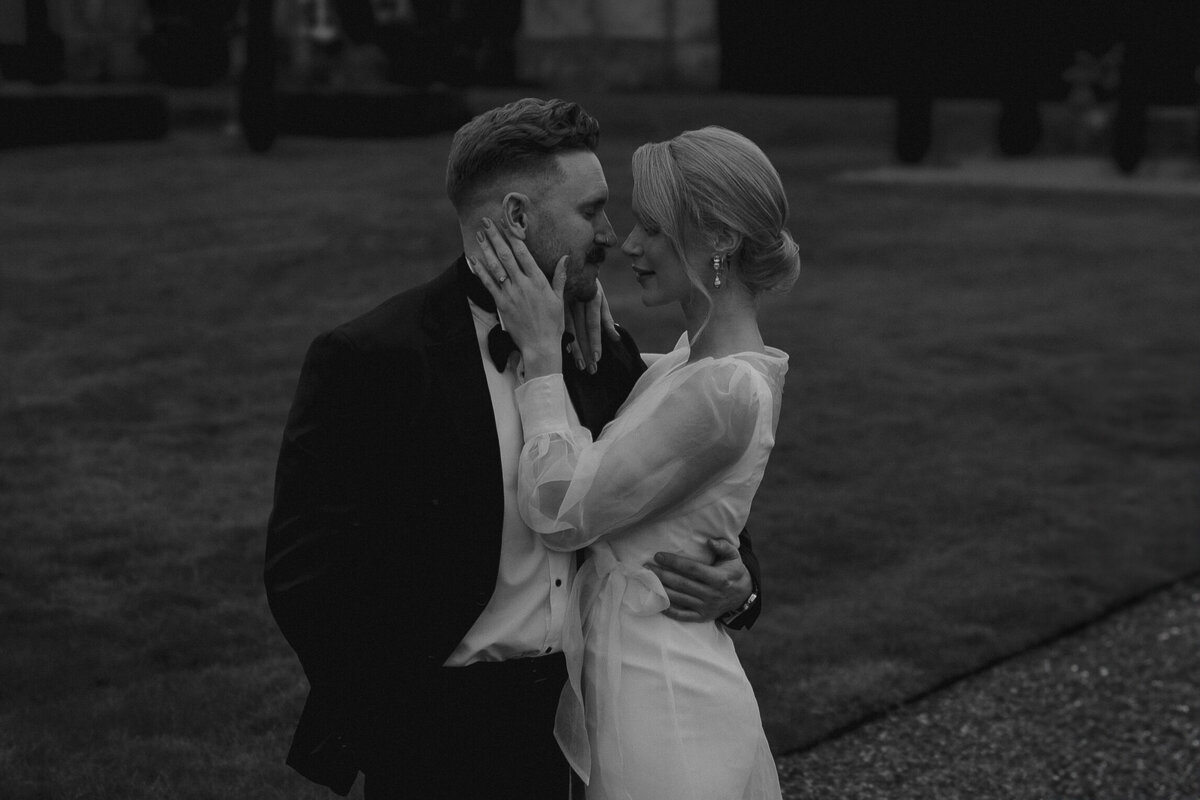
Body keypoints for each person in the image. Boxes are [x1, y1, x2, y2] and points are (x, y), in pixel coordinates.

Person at [263, 99, 765, 799]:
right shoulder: (374, 358)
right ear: (518, 219)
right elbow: (305, 573)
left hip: (588, 715)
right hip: (437, 732)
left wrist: (740, 585)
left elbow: (680, 489)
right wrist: (391, 722)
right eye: (591, 211)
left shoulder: (593, 346)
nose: (611, 235)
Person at [472, 125, 799, 799]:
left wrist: (539, 359)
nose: (628, 244)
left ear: (719, 242)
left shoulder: (722, 389)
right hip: (636, 674)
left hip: (662, 700)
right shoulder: (691, 364)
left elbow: (562, 512)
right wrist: (583, 299)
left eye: (652, 227)